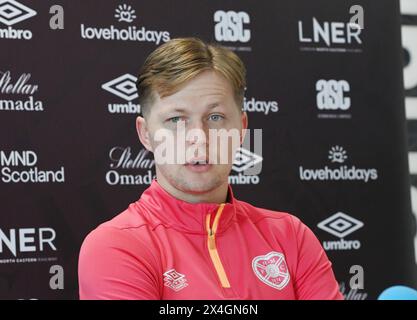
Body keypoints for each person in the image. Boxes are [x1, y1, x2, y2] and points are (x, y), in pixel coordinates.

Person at [78, 37, 343, 300]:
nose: (199, 137)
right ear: (145, 134)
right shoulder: (116, 245)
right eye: (176, 119)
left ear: (241, 129)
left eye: (215, 118)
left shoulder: (291, 237)